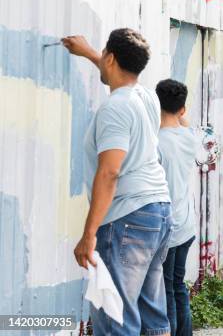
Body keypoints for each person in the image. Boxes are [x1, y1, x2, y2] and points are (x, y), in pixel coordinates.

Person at [65, 30, 172, 335]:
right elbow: (120, 71)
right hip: (157, 213)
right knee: (152, 317)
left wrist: (88, 234)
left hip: (127, 219)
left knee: (115, 319)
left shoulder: (115, 108)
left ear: (111, 58)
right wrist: (89, 53)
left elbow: (109, 172)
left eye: (103, 54)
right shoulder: (146, 96)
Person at [155, 79, 199, 336]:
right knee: (177, 285)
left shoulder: (155, 142)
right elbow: (185, 122)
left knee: (166, 290)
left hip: (167, 227)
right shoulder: (189, 137)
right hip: (186, 224)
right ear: (183, 109)